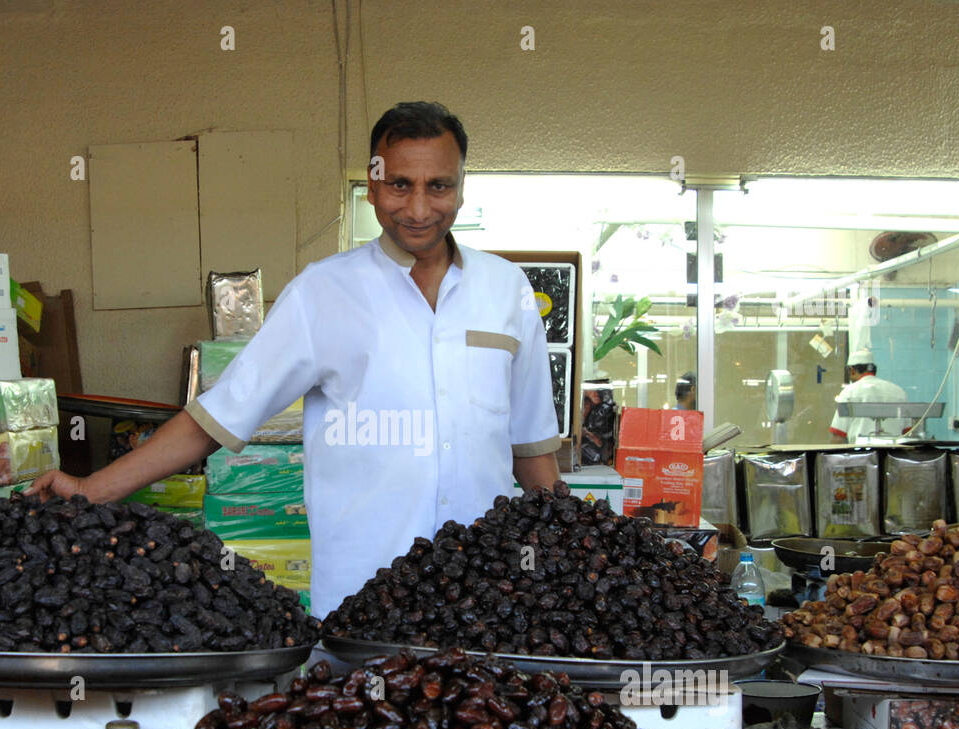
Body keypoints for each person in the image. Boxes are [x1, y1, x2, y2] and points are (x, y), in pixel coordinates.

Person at [29, 101, 561, 618]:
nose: (419, 208)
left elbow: (530, 447)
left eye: (438, 186)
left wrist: (573, 556)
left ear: (462, 189)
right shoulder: (322, 293)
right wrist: (89, 490)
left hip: (487, 598)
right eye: (400, 184)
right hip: (367, 597)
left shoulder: (506, 289)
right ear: (373, 186)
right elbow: (218, 417)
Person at [828, 349, 909, 443]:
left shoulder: (849, 392)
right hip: (893, 453)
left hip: (862, 455)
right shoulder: (898, 392)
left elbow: (838, 436)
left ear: (852, 370)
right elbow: (907, 431)